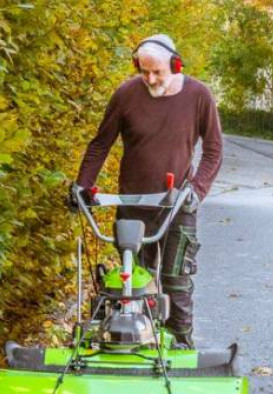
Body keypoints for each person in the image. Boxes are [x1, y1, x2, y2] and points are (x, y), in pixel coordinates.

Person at [71, 33, 223, 348]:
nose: (151, 79)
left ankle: (181, 345)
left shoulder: (198, 96)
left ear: (176, 65)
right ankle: (142, 346)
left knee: (175, 280)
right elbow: (101, 144)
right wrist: (82, 185)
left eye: (157, 72)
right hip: (132, 206)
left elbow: (213, 150)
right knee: (135, 284)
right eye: (144, 72)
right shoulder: (126, 95)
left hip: (177, 204)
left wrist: (197, 189)